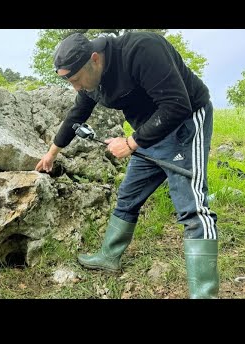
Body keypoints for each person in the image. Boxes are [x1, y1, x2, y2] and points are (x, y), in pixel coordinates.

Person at [35, 32, 218, 299]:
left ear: (94, 59)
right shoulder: (90, 82)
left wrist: (131, 143)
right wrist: (52, 153)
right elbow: (78, 113)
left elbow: (177, 104)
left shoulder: (141, 49)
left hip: (185, 125)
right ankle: (109, 256)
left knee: (193, 209)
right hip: (148, 134)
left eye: (75, 80)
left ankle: (204, 293)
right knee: (128, 196)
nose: (76, 87)